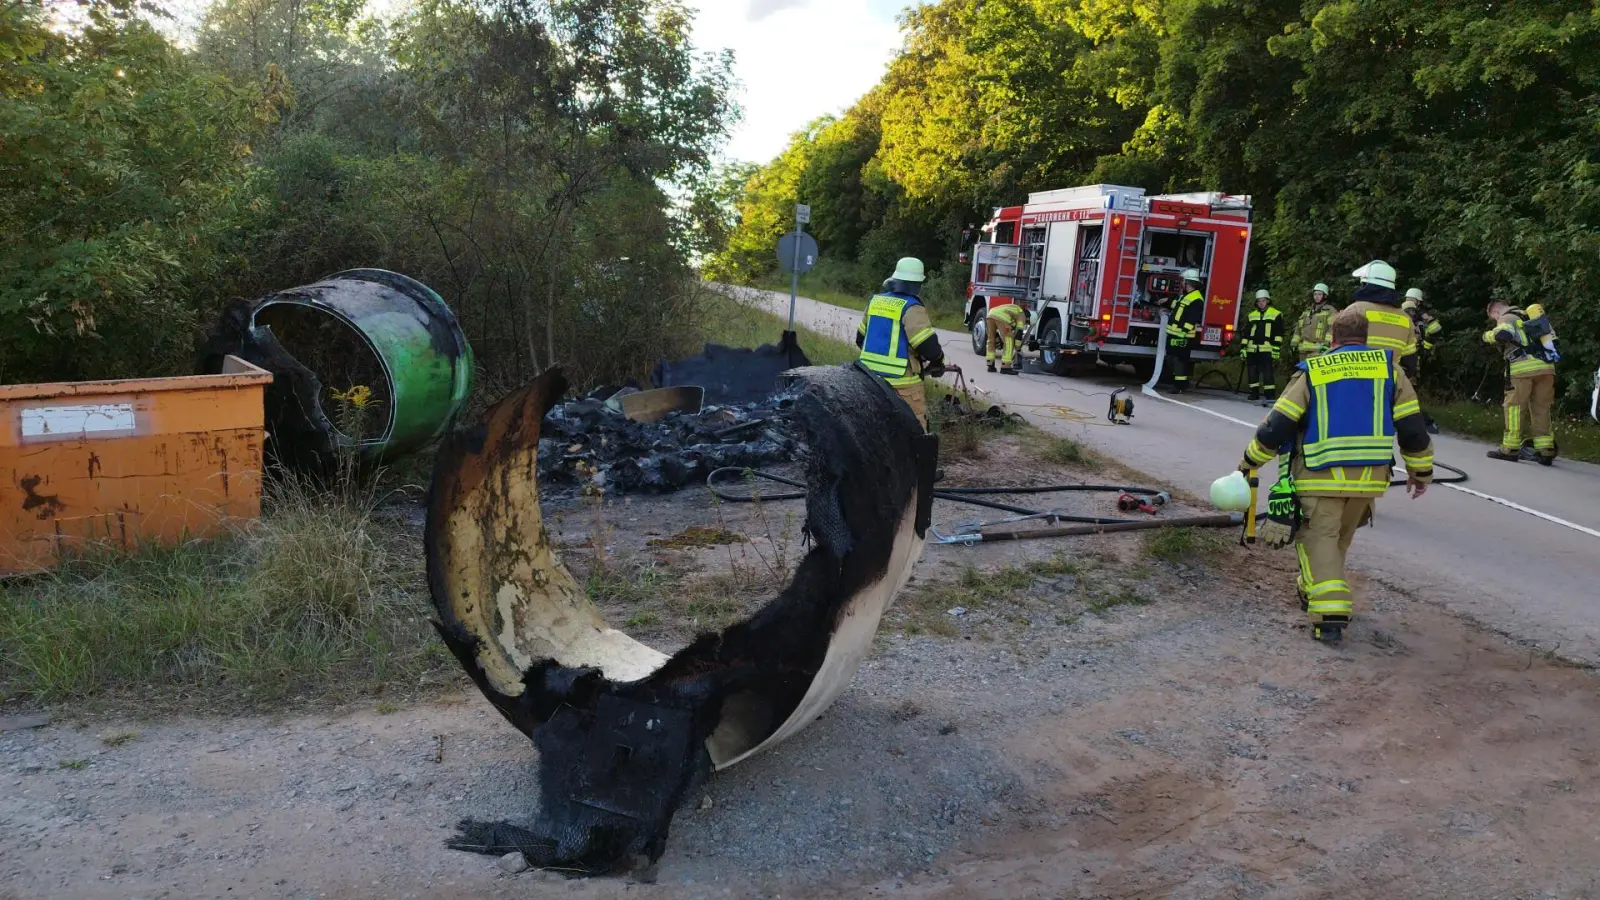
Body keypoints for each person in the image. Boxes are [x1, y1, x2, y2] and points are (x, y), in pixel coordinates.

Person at [1239, 308, 1433, 644]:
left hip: (1319, 475)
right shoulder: (1391, 371)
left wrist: (1249, 462)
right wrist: (1420, 471)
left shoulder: (1315, 370)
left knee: (1319, 538)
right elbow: (1413, 428)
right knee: (1336, 540)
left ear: (1333, 338)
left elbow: (1279, 424)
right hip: (1368, 481)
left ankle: (1330, 612)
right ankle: (1311, 587)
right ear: (1367, 336)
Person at [856, 257, 947, 429]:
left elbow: (860, 339)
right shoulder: (912, 307)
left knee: (875, 427)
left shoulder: (875, 301)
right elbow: (927, 346)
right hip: (903, 384)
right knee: (914, 430)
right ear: (918, 283)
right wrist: (938, 360)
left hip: (869, 379)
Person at [1483, 299, 1559, 465]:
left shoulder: (1506, 318)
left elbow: (1503, 334)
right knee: (1541, 408)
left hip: (1522, 370)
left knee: (1514, 408)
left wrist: (1487, 336)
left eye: (1493, 318)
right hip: (1546, 368)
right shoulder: (1532, 316)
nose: (1496, 320)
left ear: (1495, 311)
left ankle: (1510, 449)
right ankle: (1545, 449)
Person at [1345, 260, 1418, 367]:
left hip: (1357, 380)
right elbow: (1410, 363)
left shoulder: (1355, 310)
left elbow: (1338, 352)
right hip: (1390, 381)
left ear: (1366, 285)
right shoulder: (1405, 319)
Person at [1402, 289, 1443, 434]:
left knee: (1408, 391)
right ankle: (1423, 421)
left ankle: (1420, 421)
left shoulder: (1420, 317)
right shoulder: (1404, 312)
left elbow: (1436, 329)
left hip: (1412, 358)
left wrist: (1427, 319)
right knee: (1407, 392)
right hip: (1405, 357)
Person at [1162, 268, 1205, 393]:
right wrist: (1166, 301)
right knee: (1171, 358)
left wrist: (1183, 332)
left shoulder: (1196, 299)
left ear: (1188, 283)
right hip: (1174, 333)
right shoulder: (1184, 296)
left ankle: (1179, 386)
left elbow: (1193, 318)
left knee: (1179, 360)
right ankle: (1178, 383)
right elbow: (1175, 306)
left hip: (1182, 336)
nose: (1181, 283)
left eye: (1183, 281)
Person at [1243, 288, 1284, 403]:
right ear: (1256, 302)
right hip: (1252, 349)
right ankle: (1254, 393)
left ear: (1268, 301)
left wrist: (1276, 349)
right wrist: (1243, 348)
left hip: (1267, 349)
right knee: (1252, 372)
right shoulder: (1252, 315)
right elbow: (1246, 334)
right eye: (1259, 301)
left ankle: (1270, 395)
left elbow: (1279, 333)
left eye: (1263, 300)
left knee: (1267, 373)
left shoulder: (1276, 314)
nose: (1261, 303)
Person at [1293, 283, 1335, 361]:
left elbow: (1332, 328)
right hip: (1303, 350)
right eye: (1315, 294)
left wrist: (1327, 344)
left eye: (1319, 294)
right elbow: (1298, 328)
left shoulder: (1330, 311)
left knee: (1315, 373)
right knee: (1304, 372)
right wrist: (1294, 342)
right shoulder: (1307, 311)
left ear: (1325, 296)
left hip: (1318, 350)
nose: (1316, 296)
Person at [984, 301, 1029, 375]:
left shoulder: (1014, 309)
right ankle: (1005, 367)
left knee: (991, 340)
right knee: (1009, 341)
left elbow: (1012, 326)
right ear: (1028, 317)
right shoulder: (1022, 314)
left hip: (990, 315)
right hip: (1002, 318)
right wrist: (1018, 348)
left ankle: (990, 364)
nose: (1026, 323)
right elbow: (1019, 334)